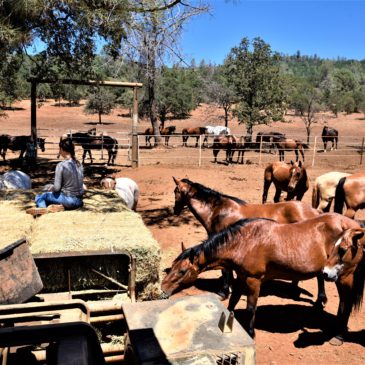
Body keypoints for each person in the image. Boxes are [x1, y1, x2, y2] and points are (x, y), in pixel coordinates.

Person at [26, 138, 84, 216]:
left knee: (41, 196)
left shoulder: (61, 165)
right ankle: (60, 207)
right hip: (79, 201)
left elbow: (57, 188)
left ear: (62, 149)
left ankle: (42, 208)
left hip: (69, 200)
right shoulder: (79, 164)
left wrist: (51, 188)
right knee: (52, 196)